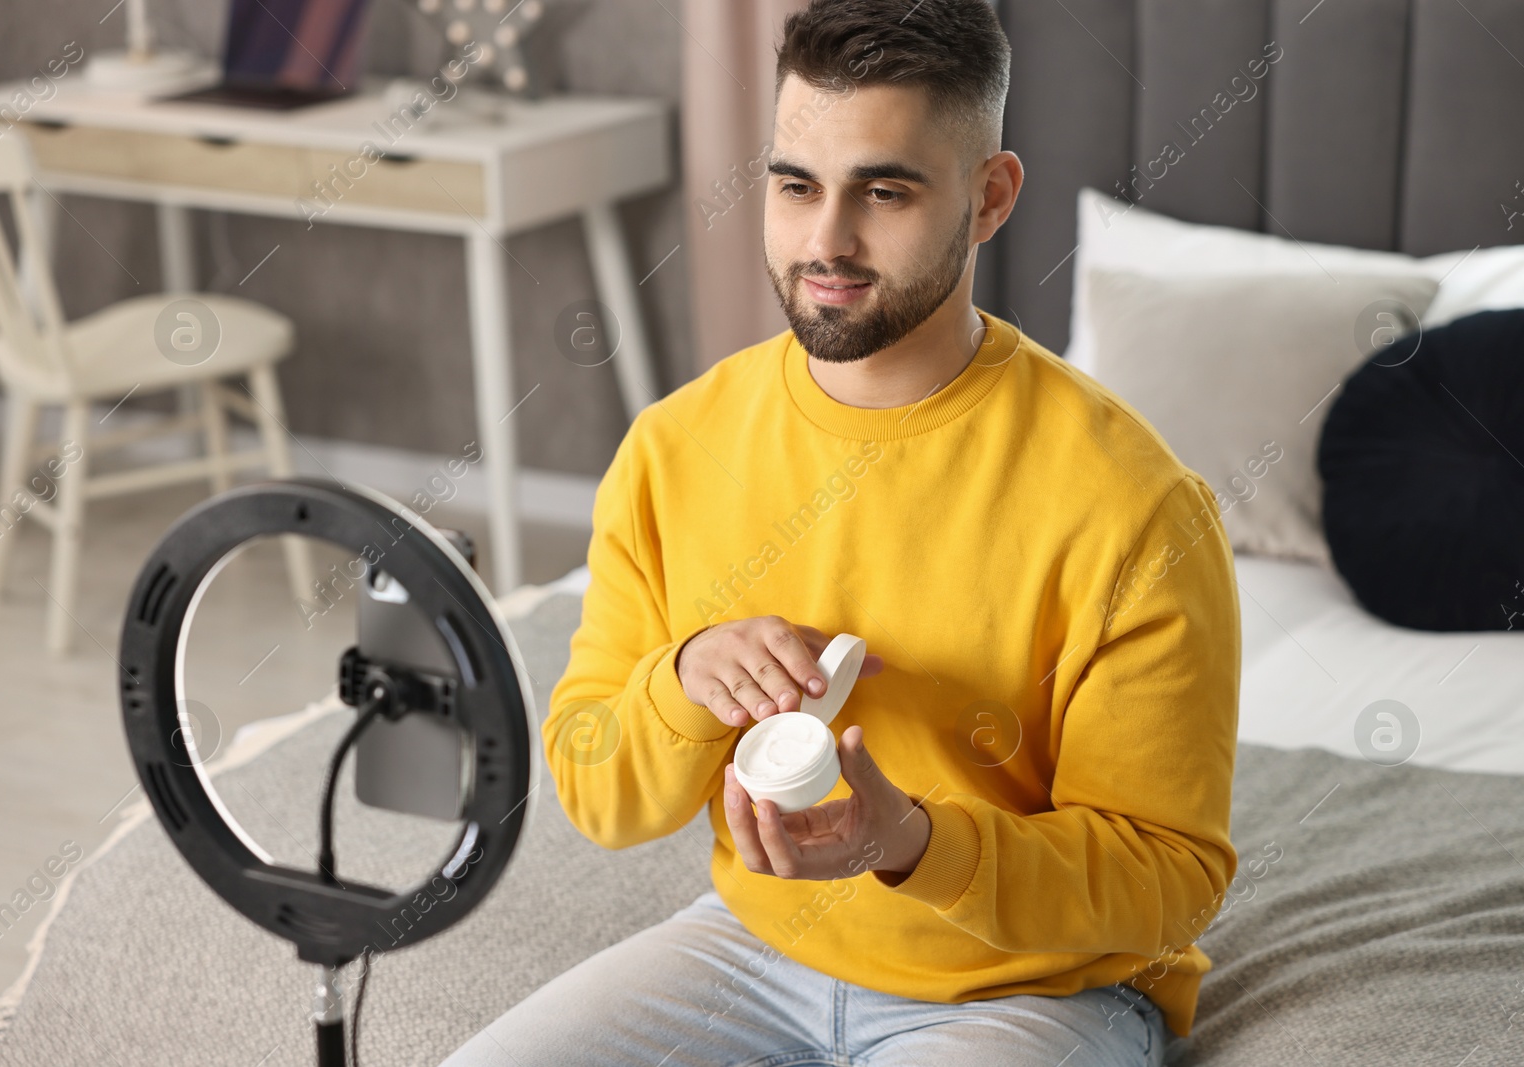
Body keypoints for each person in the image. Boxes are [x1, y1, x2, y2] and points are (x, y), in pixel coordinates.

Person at [439, 1, 1241, 1063]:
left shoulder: (1131, 507)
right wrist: (683, 681)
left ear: (989, 197)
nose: (826, 242)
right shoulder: (674, 448)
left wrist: (911, 843)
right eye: (794, 184)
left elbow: (1168, 883)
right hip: (755, 945)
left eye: (886, 190)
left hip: (1036, 991)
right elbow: (597, 788)